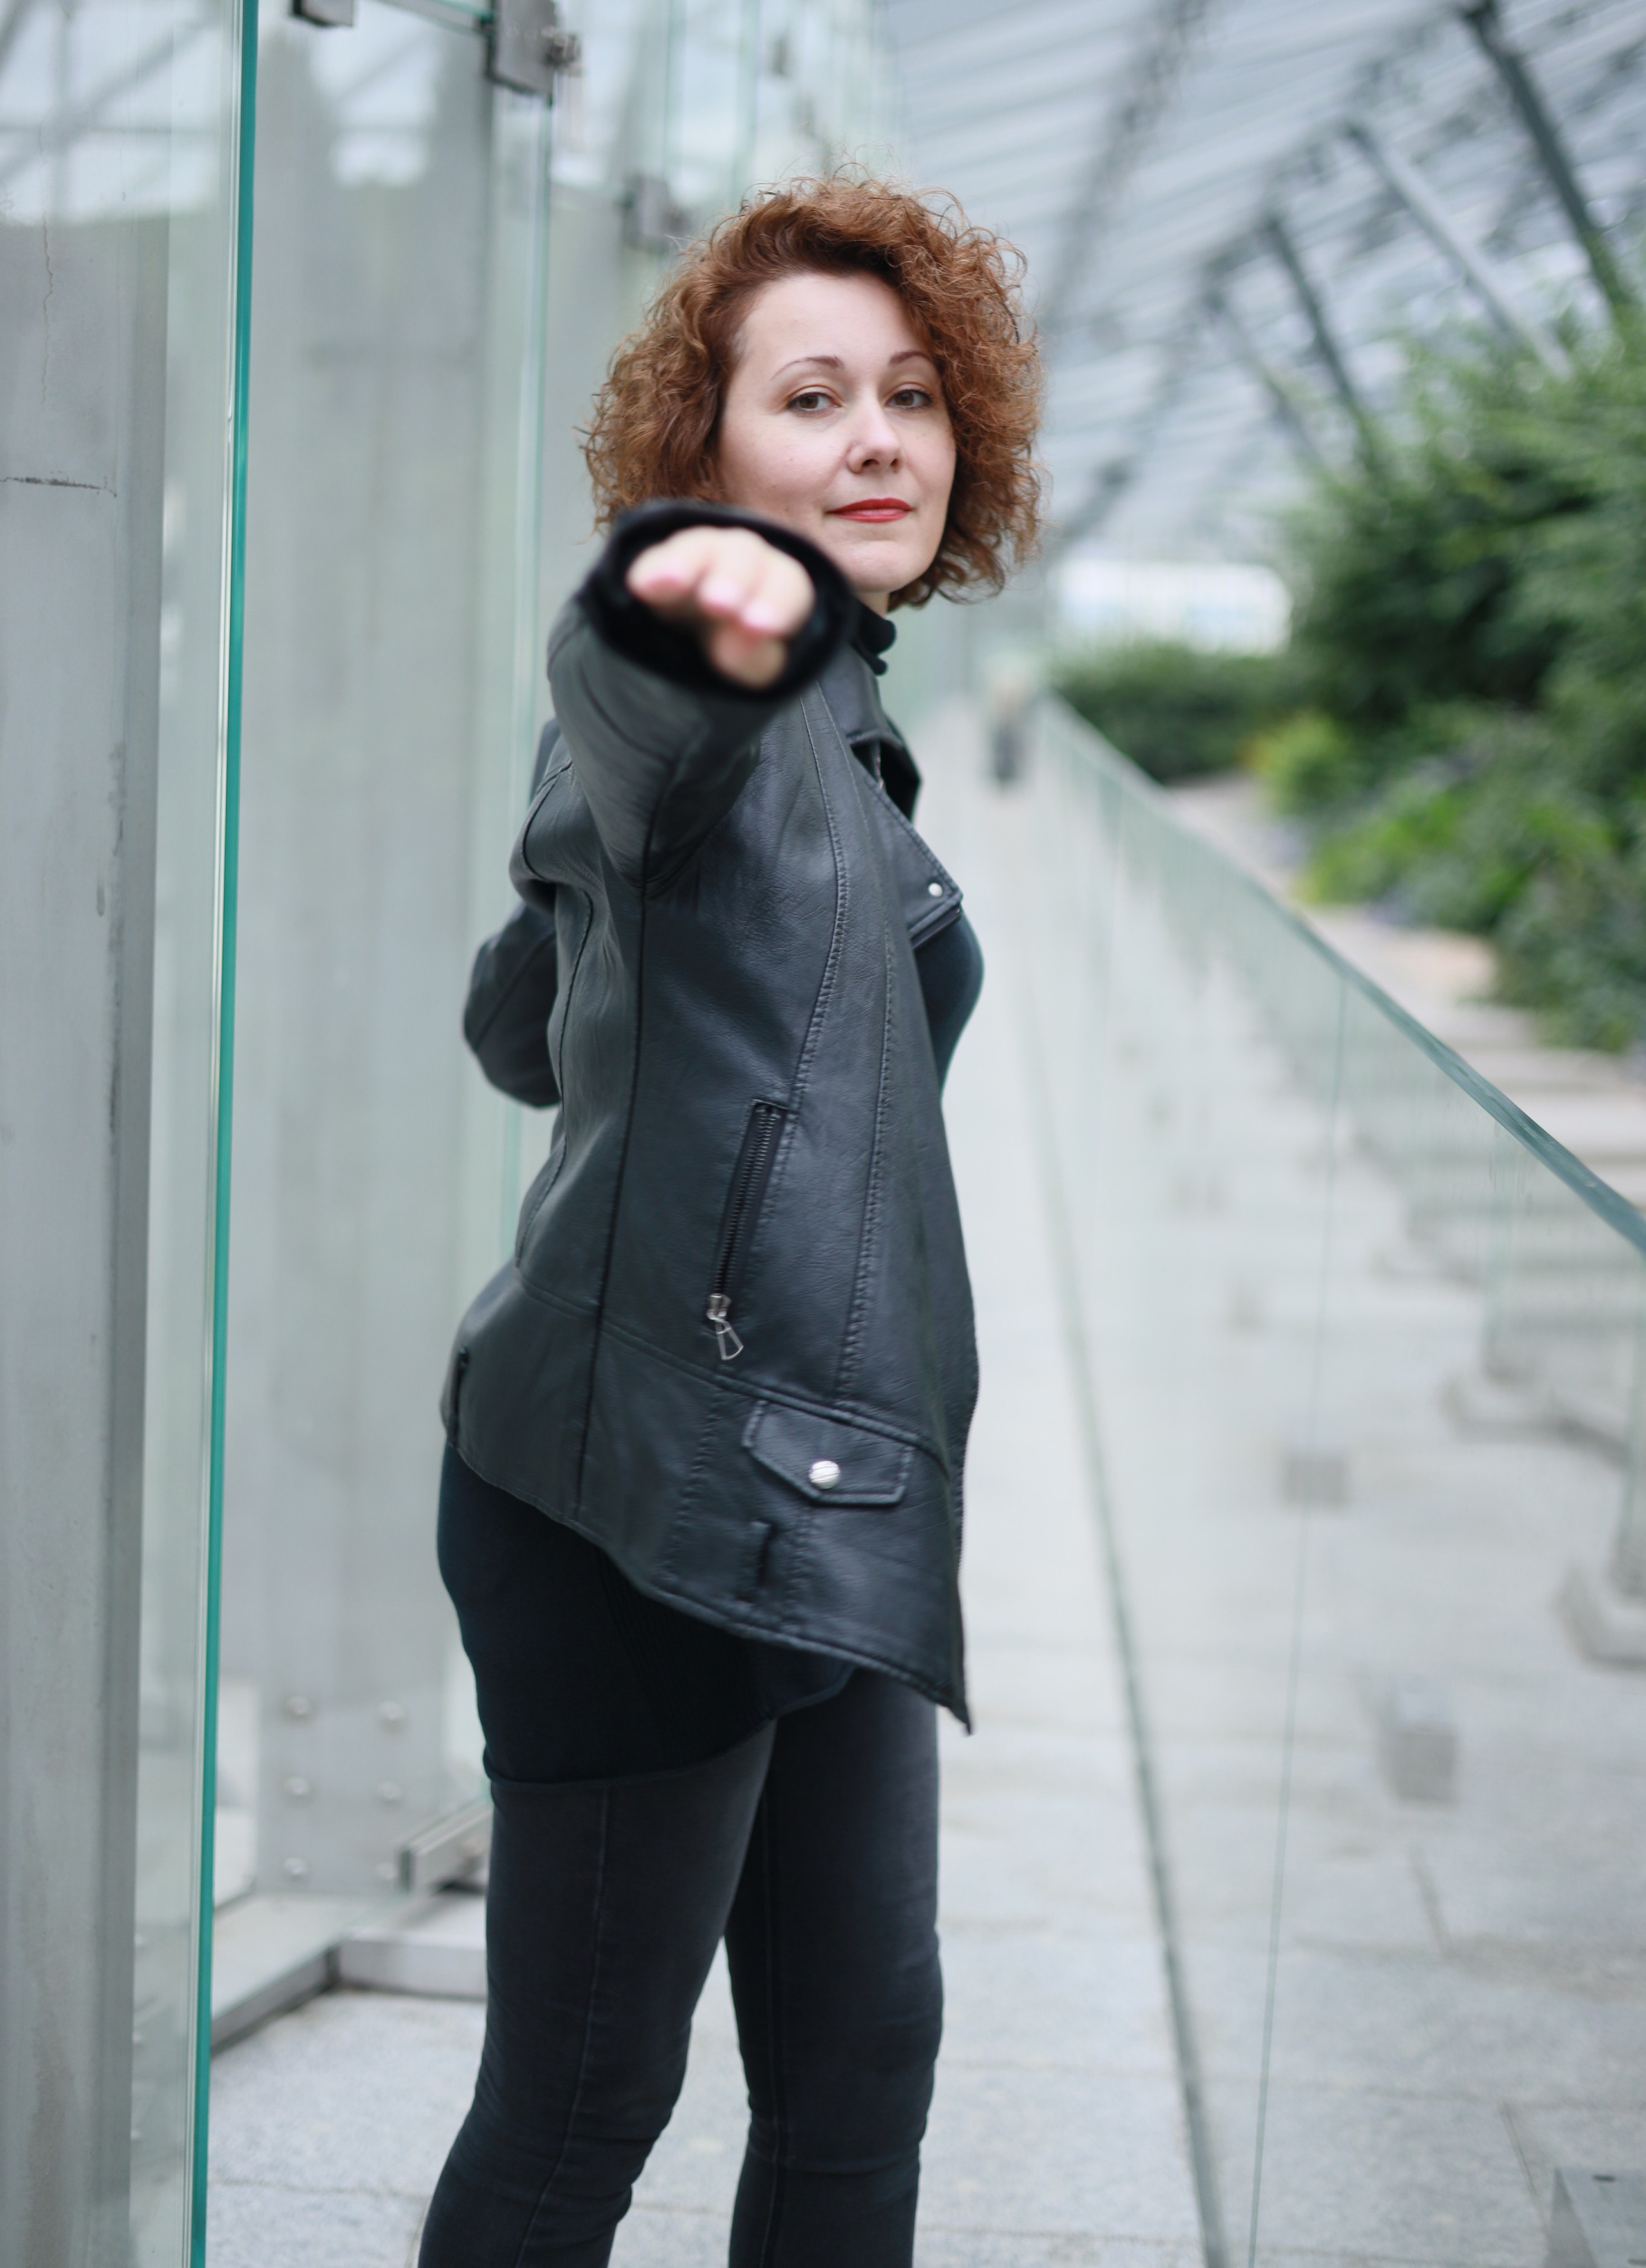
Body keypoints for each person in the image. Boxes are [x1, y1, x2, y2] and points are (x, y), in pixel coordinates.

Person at [419, 174, 1041, 2268]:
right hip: (646, 1510)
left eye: (916, 395)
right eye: (811, 397)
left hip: (833, 1487)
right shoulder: (710, 649)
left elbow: (524, 1026)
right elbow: (653, 642)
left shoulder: (850, 729)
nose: (881, 437)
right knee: (588, 2101)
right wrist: (704, 574)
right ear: (705, 455)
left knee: (864, 2076)